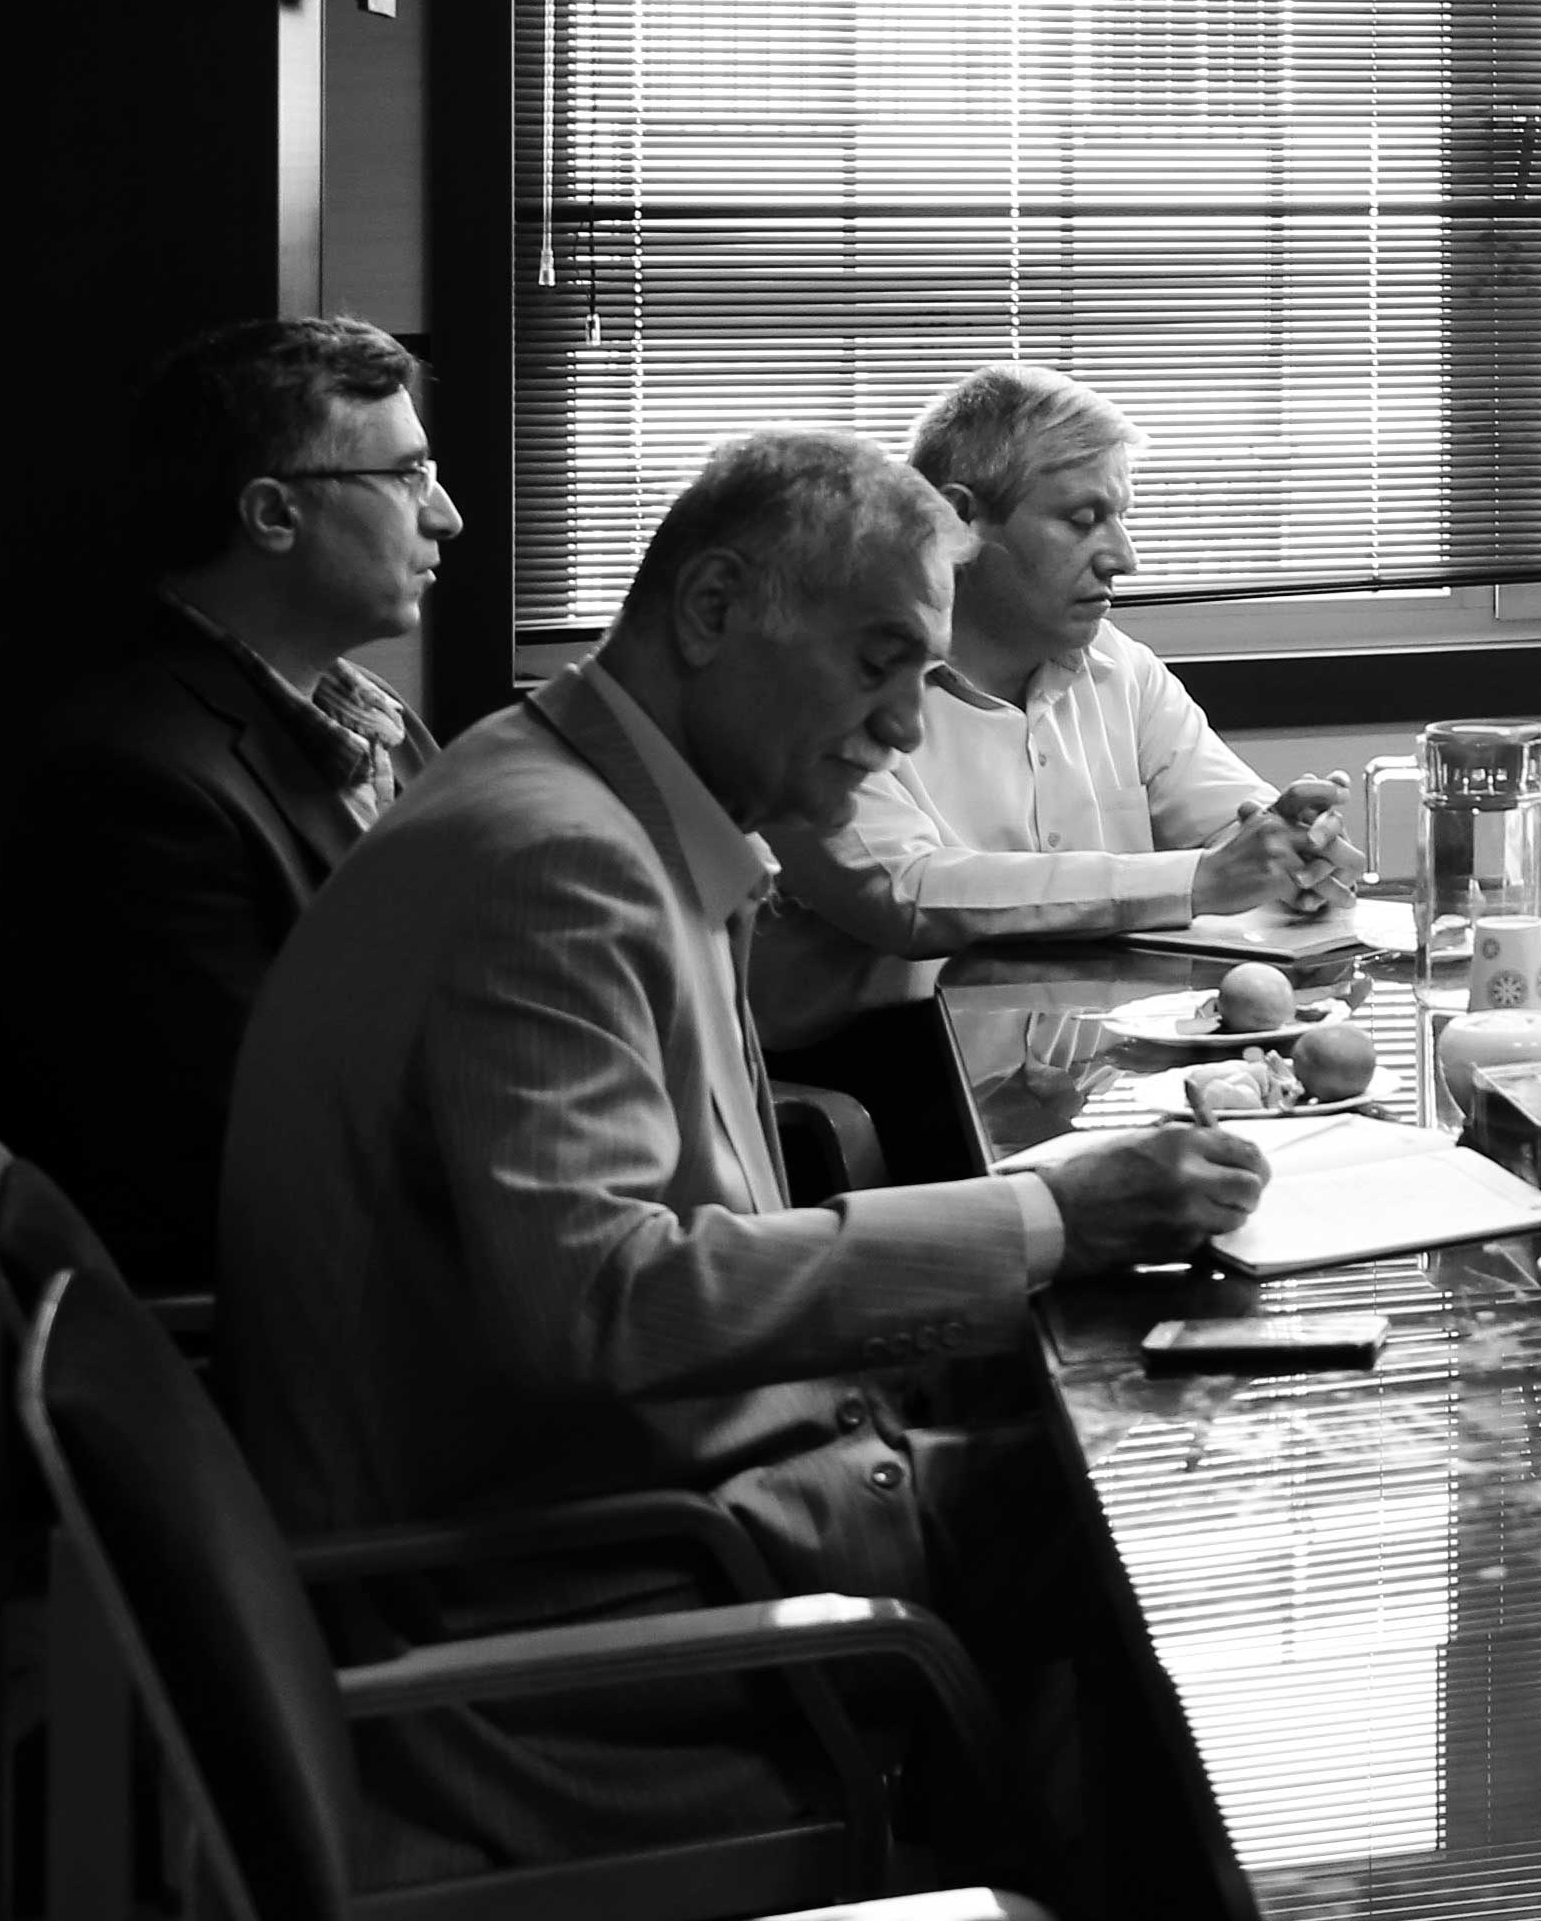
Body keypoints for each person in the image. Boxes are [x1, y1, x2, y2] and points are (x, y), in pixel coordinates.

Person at [218, 429, 1272, 1888]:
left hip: (642, 1499)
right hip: (577, 1594)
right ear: (713, 610)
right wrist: (1041, 1217)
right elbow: (606, 1301)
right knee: (1153, 1531)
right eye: (878, 665)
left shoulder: (575, 791)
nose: (905, 728)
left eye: (924, 675)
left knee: (1116, 1463)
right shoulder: (559, 865)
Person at [0, 317, 457, 1288]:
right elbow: (249, 1154)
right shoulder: (129, 781)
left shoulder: (379, 726)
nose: (446, 516)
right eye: (407, 476)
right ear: (273, 515)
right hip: (335, 1301)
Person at [762, 364, 1354, 1023]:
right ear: (960, 520)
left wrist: (1296, 854)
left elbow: (1234, 828)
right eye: (1082, 520)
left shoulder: (1121, 668)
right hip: (887, 1065)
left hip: (1109, 1055)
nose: (1123, 557)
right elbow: (904, 894)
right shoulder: (829, 684)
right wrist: (1202, 878)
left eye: (1120, 518)